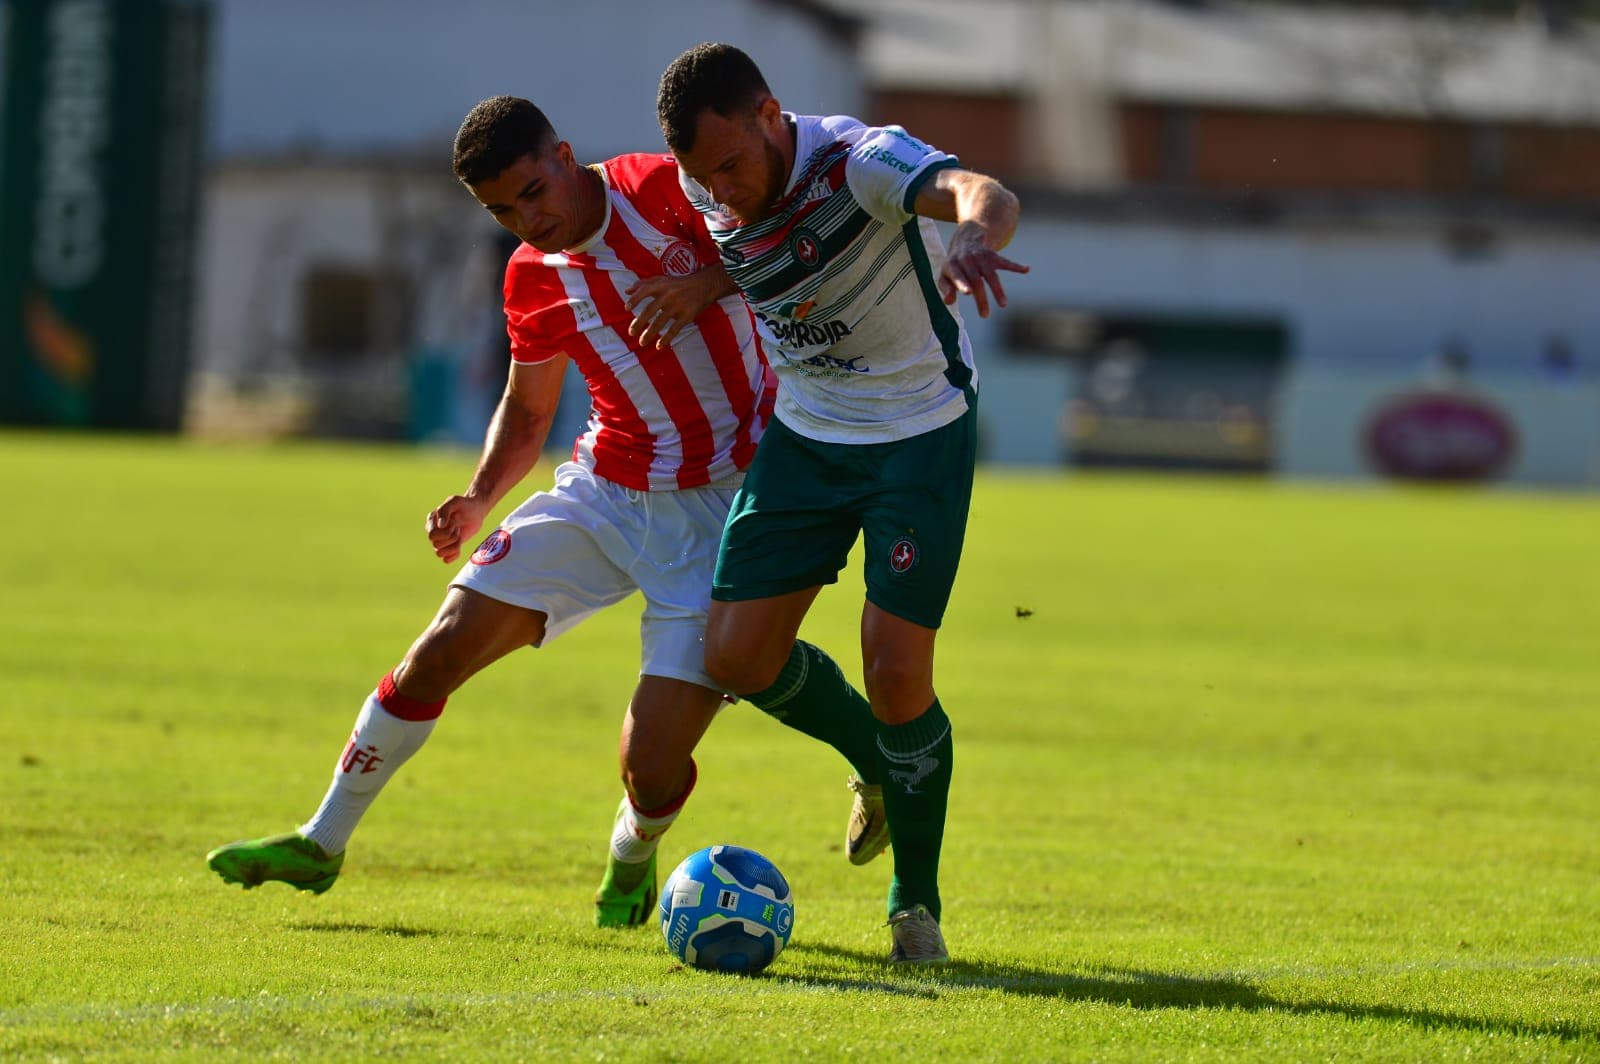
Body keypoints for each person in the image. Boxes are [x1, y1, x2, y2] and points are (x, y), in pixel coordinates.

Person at [208, 96, 797, 928]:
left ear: (563, 155)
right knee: (438, 650)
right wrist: (478, 497)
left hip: (721, 508)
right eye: (501, 211)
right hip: (607, 491)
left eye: (532, 192)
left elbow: (784, 238)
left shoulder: (666, 189)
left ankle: (631, 856)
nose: (528, 219)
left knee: (650, 767)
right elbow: (527, 412)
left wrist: (704, 282)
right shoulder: (530, 275)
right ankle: (321, 841)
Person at [656, 43, 1030, 964]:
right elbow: (763, 246)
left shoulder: (862, 161)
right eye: (706, 177)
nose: (721, 190)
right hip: (809, 433)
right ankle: (876, 765)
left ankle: (915, 905)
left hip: (918, 430)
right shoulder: (710, 181)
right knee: (736, 657)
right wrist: (706, 281)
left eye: (732, 165)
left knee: (896, 671)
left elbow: (983, 191)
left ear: (770, 114)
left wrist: (973, 234)